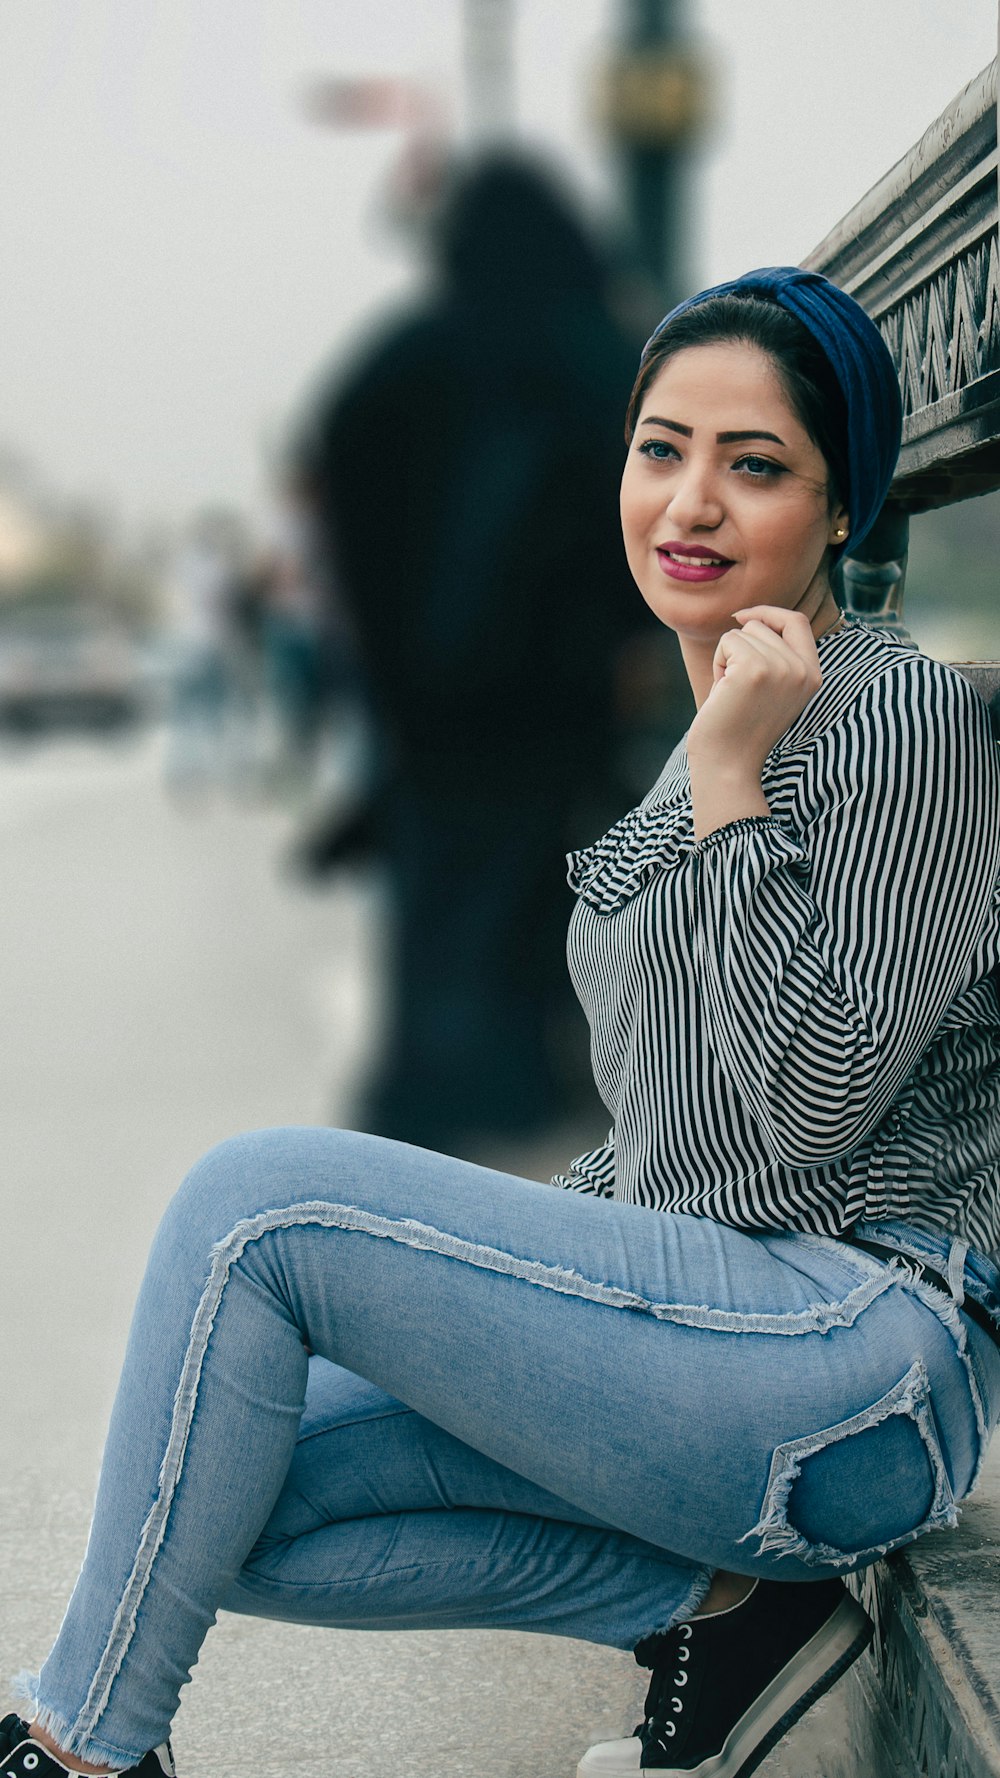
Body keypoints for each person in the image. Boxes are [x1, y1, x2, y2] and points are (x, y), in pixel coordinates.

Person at [5, 266, 1000, 1778]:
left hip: (865, 1356)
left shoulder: (897, 720)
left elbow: (811, 1107)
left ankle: (77, 1745)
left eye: (758, 465)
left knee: (249, 1203)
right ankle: (713, 1615)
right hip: (732, 1330)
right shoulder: (692, 752)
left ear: (844, 506)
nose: (694, 501)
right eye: (662, 448)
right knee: (223, 1477)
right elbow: (681, 1144)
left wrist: (737, 781)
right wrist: (494, 1282)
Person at [296, 151, 684, 1152]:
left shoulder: (407, 356)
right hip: (550, 690)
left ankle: (433, 1093)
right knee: (532, 886)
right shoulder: (589, 347)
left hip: (427, 691)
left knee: (439, 896)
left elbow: (339, 470)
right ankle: (516, 1083)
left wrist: (386, 649)